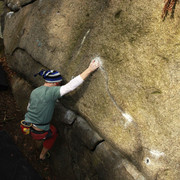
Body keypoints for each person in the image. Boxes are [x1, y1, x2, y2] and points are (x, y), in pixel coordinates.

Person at [24, 60, 99, 160]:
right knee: (53, 133)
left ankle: (38, 140)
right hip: (40, 130)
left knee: (42, 130)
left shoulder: (35, 91)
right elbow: (71, 86)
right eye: (59, 83)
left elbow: (29, 107)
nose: (59, 85)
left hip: (28, 123)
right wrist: (89, 69)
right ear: (54, 83)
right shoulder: (52, 92)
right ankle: (42, 155)